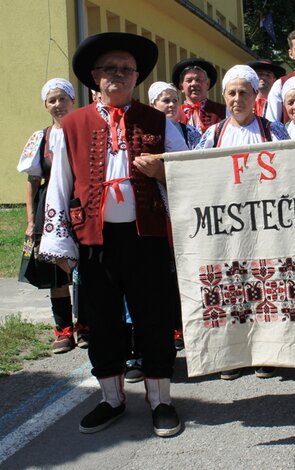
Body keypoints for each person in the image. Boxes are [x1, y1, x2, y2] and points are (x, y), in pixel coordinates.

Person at [39, 32, 188, 437]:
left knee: (154, 318)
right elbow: (59, 185)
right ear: (94, 77)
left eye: (126, 69)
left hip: (147, 237)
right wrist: (59, 242)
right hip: (95, 240)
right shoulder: (70, 125)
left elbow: (187, 173)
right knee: (103, 322)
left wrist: (162, 172)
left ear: (136, 76)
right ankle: (111, 399)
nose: (118, 75)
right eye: (110, 69)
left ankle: (161, 401)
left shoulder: (159, 121)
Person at [196, 65, 290, 380]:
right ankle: (233, 354)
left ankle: (266, 351)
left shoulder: (272, 130)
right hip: (227, 223)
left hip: (265, 221)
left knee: (265, 285)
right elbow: (195, 174)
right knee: (231, 286)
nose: (238, 98)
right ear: (224, 96)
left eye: (244, 92)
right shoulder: (213, 134)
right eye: (232, 93)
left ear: (255, 96)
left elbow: (292, 170)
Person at [17, 78, 89, 354]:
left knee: (83, 269)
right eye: (52, 100)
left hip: (79, 204)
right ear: (45, 105)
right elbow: (32, 182)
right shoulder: (41, 138)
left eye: (62, 98)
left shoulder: (83, 131)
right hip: (49, 208)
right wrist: (30, 221)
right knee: (56, 270)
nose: (57, 105)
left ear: (73, 100)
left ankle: (85, 326)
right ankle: (63, 330)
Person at [172, 58, 226, 134]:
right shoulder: (174, 114)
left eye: (199, 80)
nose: (194, 83)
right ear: (181, 87)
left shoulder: (223, 111)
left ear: (207, 84)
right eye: (189, 80)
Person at [149, 81, 201, 149]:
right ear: (152, 105)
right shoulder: (146, 131)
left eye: (175, 101)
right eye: (166, 101)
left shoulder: (190, 131)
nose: (172, 104)